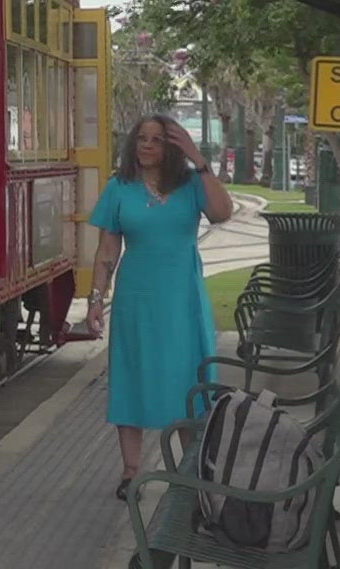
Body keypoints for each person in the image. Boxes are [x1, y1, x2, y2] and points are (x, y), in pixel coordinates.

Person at [84, 114, 232, 500]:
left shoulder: (191, 185)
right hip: (137, 300)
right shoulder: (119, 187)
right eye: (142, 138)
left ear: (172, 147)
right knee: (132, 374)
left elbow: (222, 212)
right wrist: (96, 298)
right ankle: (132, 471)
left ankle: (190, 470)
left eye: (157, 139)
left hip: (182, 298)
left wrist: (199, 161)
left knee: (186, 378)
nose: (147, 145)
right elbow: (106, 251)